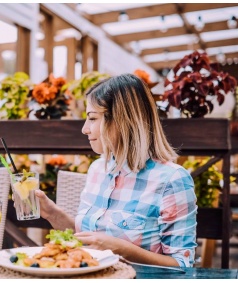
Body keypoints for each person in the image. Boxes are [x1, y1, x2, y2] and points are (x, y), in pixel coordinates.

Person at [35, 73, 197, 268]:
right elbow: (88, 240)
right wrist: (52, 213)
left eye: (92, 119)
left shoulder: (172, 180)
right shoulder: (97, 169)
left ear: (122, 121)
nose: (85, 129)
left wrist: (124, 250)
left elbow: (183, 265)